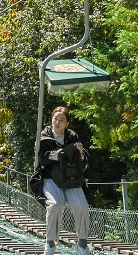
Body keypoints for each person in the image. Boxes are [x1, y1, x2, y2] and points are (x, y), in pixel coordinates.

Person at [33, 106, 91, 255]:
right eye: (55, 119)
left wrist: (80, 151)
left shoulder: (72, 136)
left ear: (67, 123)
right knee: (55, 204)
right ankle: (50, 244)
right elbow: (42, 159)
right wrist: (57, 154)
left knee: (81, 205)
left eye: (61, 120)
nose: (57, 122)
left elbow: (83, 160)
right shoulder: (45, 135)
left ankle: (82, 244)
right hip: (50, 176)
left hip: (71, 178)